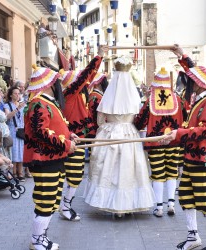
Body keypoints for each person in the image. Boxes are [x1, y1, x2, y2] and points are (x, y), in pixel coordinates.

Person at [160, 45, 206, 250]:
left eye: (191, 81)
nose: (187, 83)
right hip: (192, 158)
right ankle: (193, 236)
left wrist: (178, 134)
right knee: (187, 197)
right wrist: (182, 56)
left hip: (203, 159)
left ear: (198, 84)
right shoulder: (201, 100)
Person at [83, 56, 155, 217]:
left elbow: (100, 120)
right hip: (130, 134)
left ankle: (111, 203)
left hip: (109, 134)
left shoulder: (107, 97)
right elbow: (139, 120)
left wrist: (109, 126)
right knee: (129, 170)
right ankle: (127, 204)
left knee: (109, 169)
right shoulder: (134, 97)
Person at [24, 64, 76, 250]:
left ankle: (41, 237)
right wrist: (66, 144)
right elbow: (40, 133)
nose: (59, 86)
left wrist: (70, 136)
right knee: (45, 200)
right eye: (57, 82)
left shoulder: (46, 102)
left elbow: (55, 127)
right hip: (44, 160)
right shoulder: (39, 103)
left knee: (52, 200)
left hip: (53, 159)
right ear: (50, 84)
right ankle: (37, 239)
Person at [58, 45, 107, 221]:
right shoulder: (70, 93)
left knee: (74, 175)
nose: (84, 84)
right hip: (73, 140)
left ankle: (65, 204)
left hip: (77, 138)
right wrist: (99, 56)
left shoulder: (76, 95)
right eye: (79, 82)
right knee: (75, 175)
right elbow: (86, 75)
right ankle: (65, 205)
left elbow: (86, 78)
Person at [134, 68, 185, 217]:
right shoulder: (178, 99)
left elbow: (140, 122)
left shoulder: (150, 101)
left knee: (158, 174)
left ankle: (159, 207)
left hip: (155, 142)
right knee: (172, 172)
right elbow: (184, 118)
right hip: (174, 141)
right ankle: (171, 204)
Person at [4, 87, 26, 181]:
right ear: (11, 95)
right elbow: (7, 117)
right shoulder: (7, 105)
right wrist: (17, 108)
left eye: (19, 93)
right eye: (15, 93)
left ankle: (20, 172)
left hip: (21, 129)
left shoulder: (23, 105)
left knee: (21, 151)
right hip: (12, 129)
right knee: (14, 151)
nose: (17, 95)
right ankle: (14, 172)